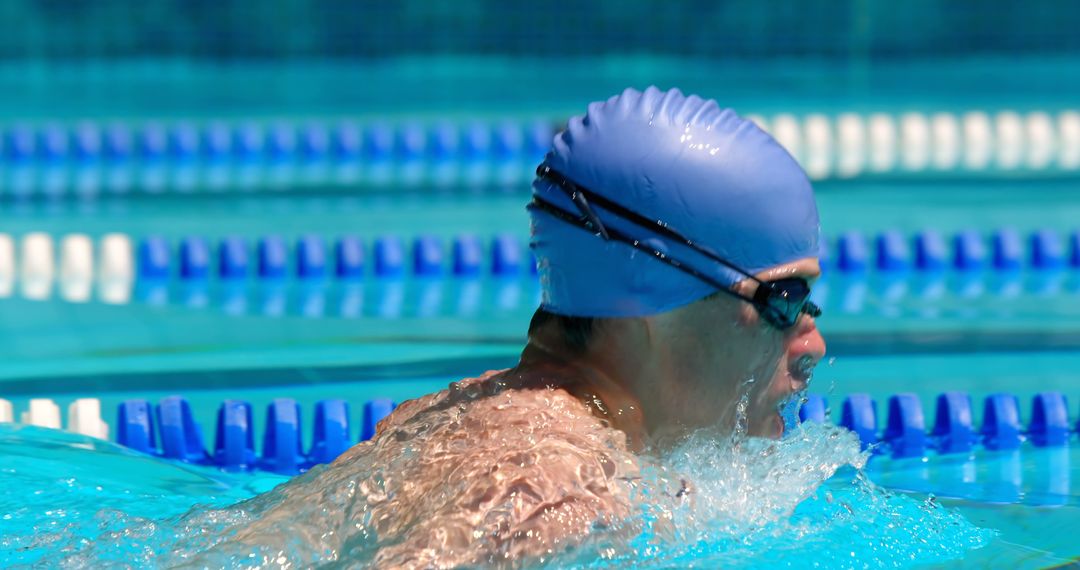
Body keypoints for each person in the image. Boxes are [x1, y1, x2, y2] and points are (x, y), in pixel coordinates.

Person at [219, 86, 826, 568]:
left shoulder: (465, 415)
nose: (811, 343)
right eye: (784, 298)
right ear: (652, 298)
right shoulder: (559, 490)